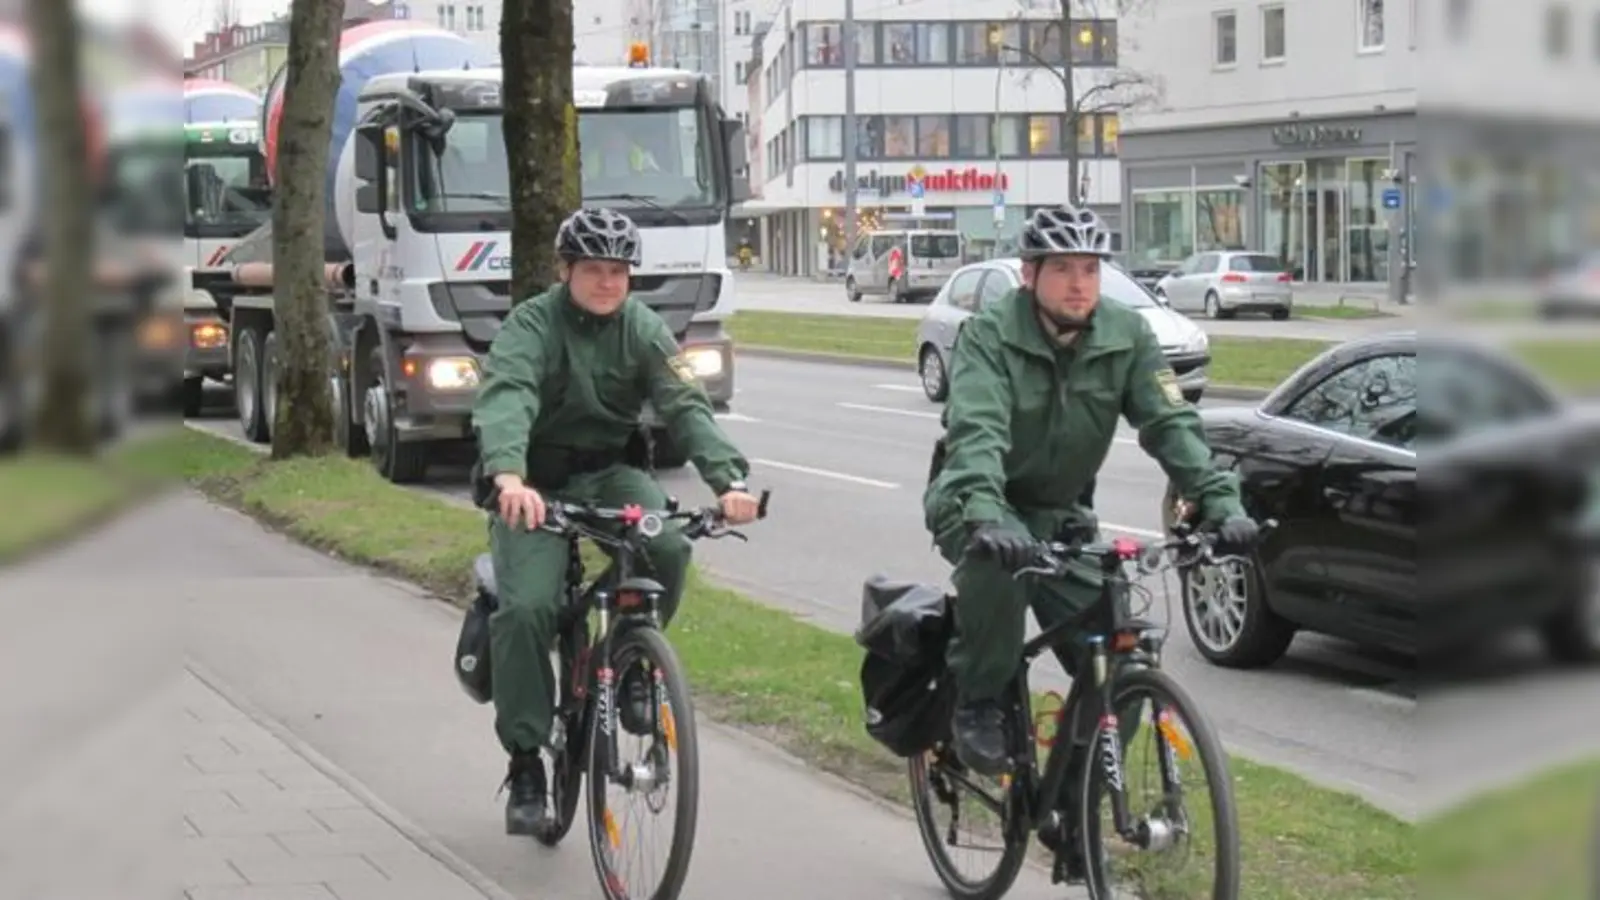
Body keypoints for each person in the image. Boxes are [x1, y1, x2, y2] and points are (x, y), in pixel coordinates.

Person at [923, 203, 1259, 779]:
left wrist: (1219, 501)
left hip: (1063, 514)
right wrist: (985, 513)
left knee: (1120, 663)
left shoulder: (1126, 335)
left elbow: (1170, 423)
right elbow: (977, 430)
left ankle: (1074, 808)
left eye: (1090, 269)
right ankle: (977, 702)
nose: (1080, 284)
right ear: (1030, 275)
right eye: (1063, 269)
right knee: (999, 576)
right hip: (974, 501)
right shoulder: (988, 335)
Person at [471, 207, 762, 835]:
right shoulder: (533, 325)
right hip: (536, 483)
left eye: (620, 271)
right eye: (595, 269)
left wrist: (728, 481)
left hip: (611, 473)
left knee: (672, 546)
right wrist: (509, 477)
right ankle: (525, 761)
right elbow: (508, 395)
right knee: (525, 609)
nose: (608, 282)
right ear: (565, 270)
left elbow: (686, 403)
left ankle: (628, 658)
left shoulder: (643, 329)